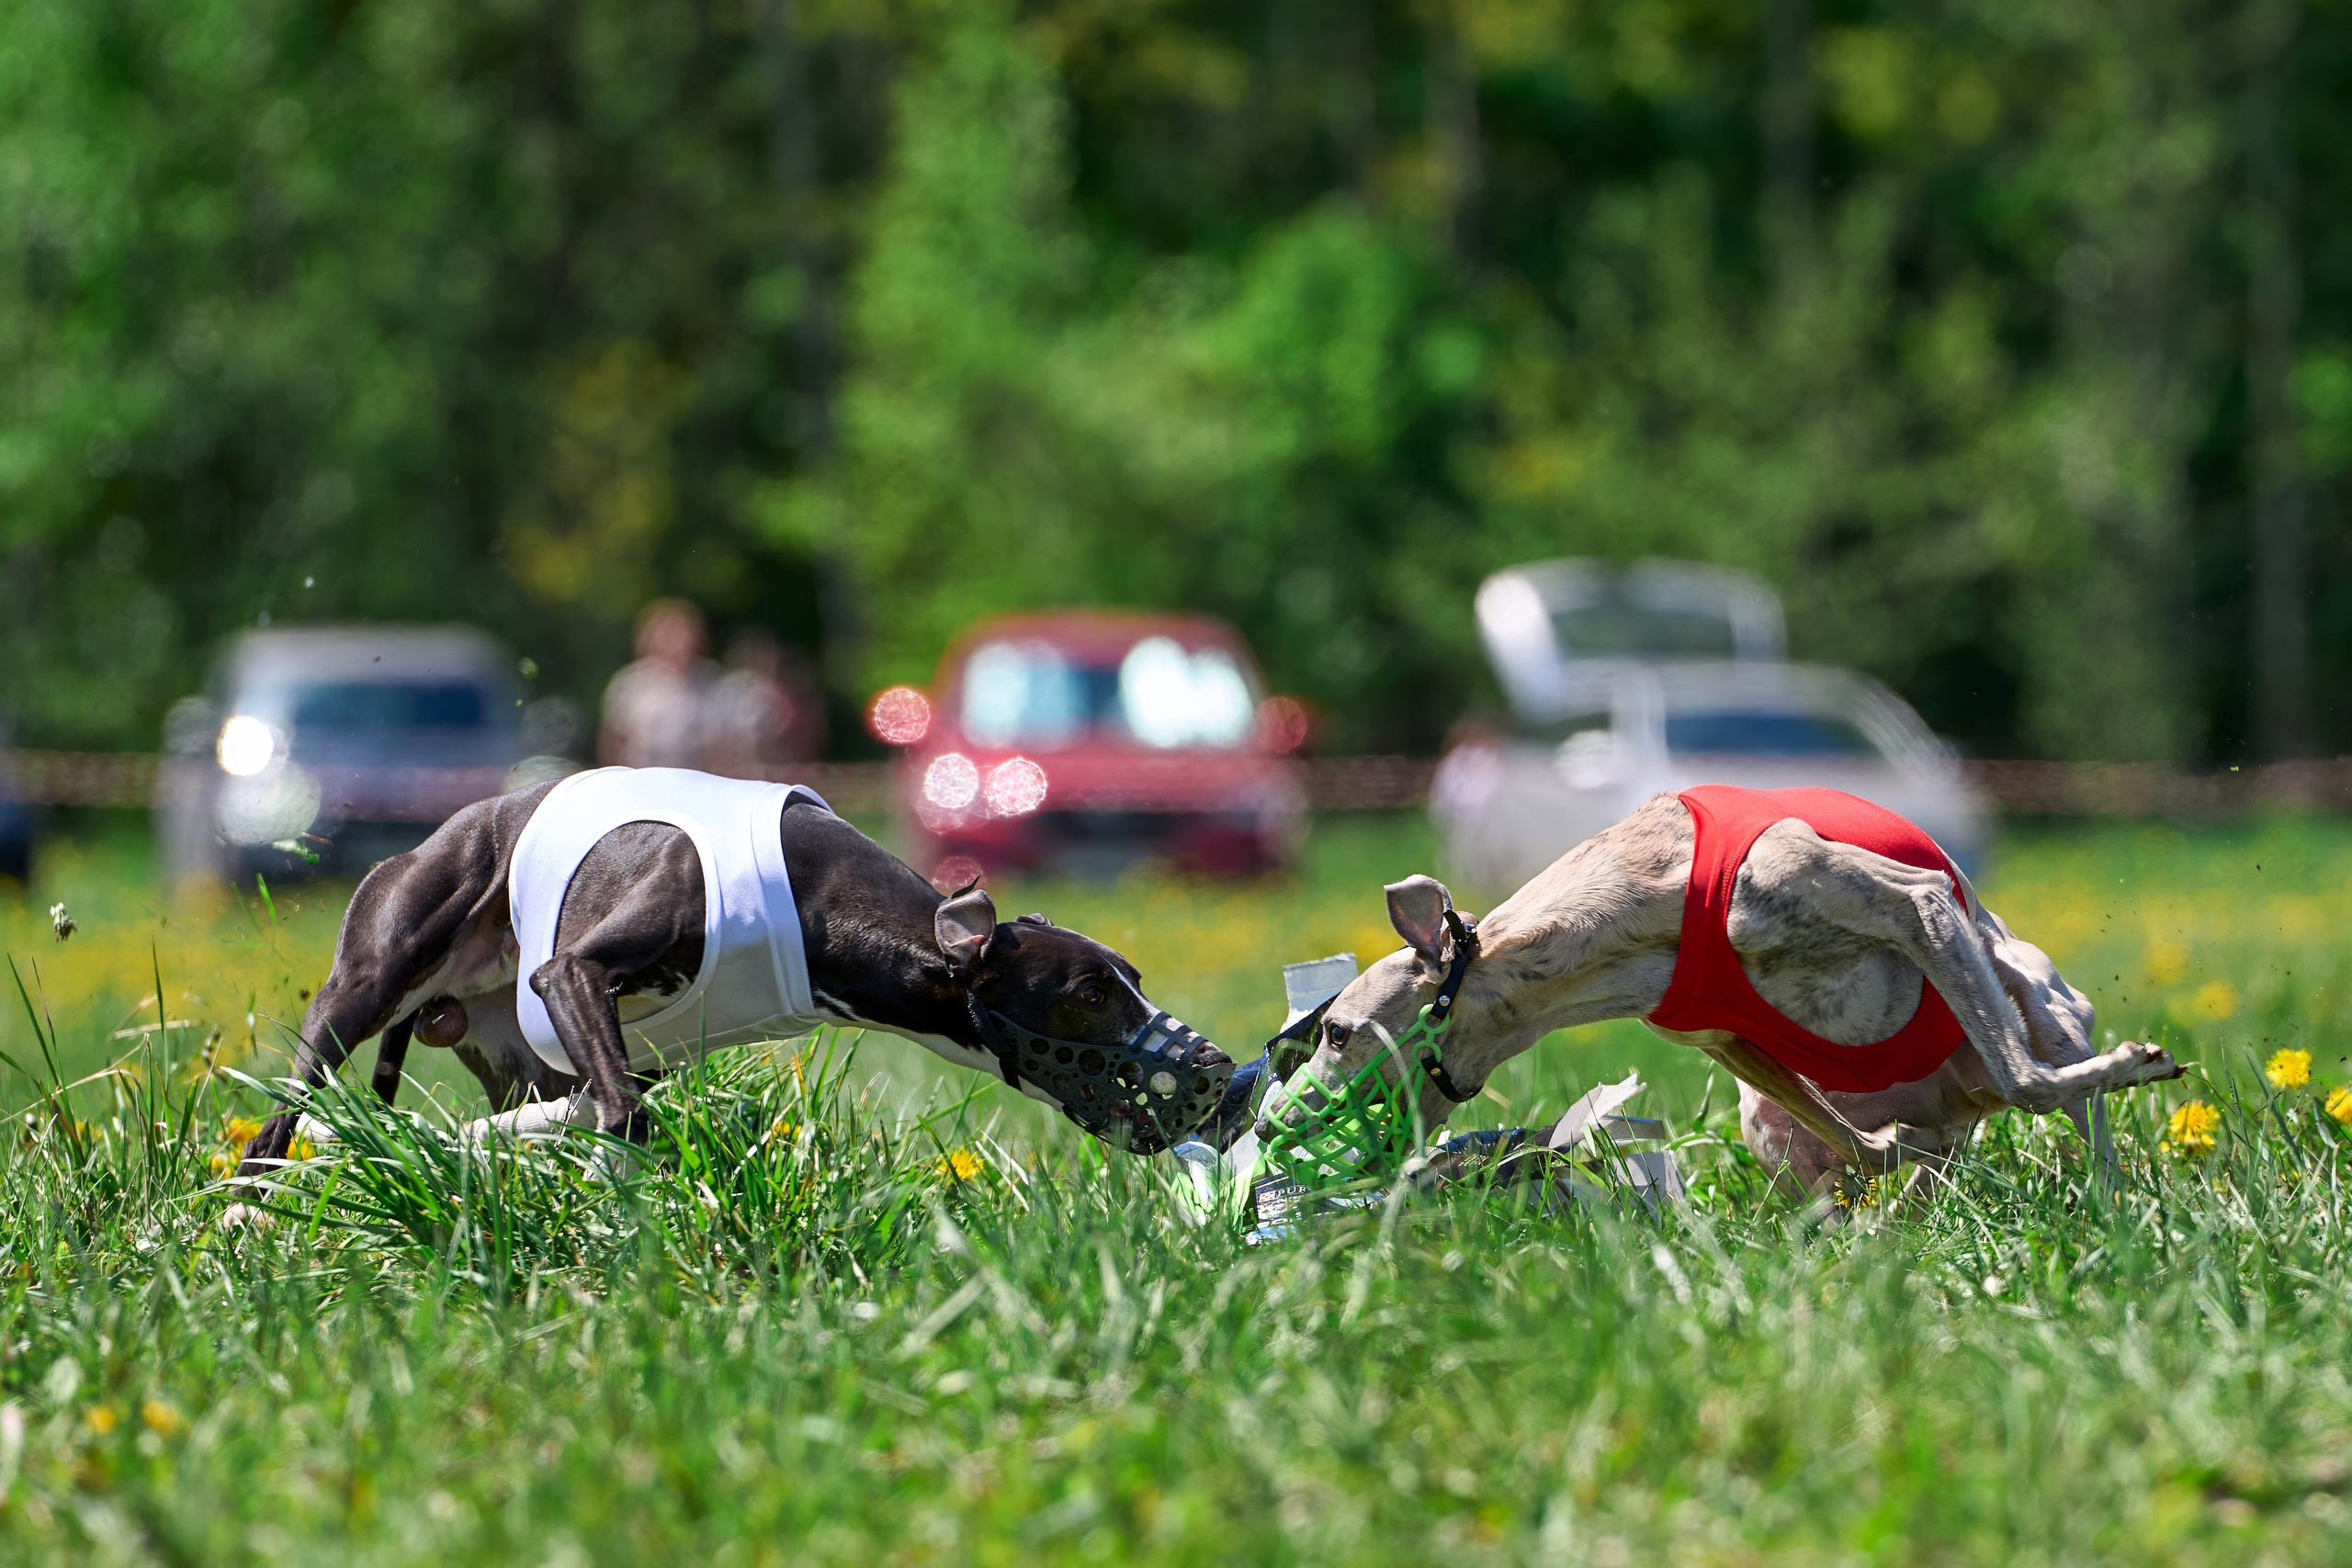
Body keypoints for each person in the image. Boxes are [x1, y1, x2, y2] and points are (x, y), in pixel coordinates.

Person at [600, 599, 718, 768]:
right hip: (643, 777)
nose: (678, 640)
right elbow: (614, 739)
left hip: (699, 778)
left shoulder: (711, 680)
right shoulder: (631, 682)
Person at [703, 627, 826, 775]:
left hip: (770, 771)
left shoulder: (778, 694)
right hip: (732, 771)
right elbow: (714, 737)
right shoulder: (727, 689)